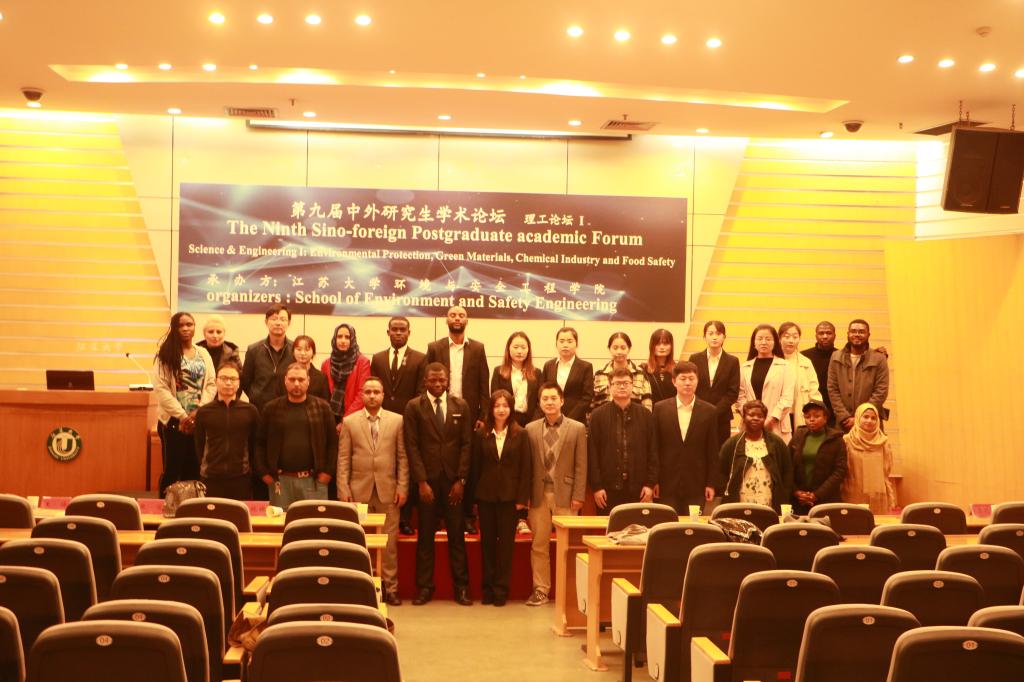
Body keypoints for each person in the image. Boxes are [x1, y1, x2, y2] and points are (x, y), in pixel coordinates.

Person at [403, 363, 473, 606]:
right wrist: (421, 482)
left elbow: (467, 444)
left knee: (457, 538)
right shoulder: (414, 406)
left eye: (442, 380)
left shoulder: (460, 406)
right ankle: (424, 588)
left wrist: (461, 480)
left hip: (454, 484)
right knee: (425, 538)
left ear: (447, 380)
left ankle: (461, 588)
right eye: (433, 380)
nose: (438, 384)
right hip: (427, 485)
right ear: (425, 381)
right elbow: (411, 445)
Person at [337, 376, 408, 606]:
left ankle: (390, 588)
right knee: (360, 543)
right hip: (358, 492)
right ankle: (361, 587)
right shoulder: (350, 422)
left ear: (383, 395)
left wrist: (402, 486)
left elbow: (402, 457)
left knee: (389, 544)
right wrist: (343, 490)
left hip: (388, 491)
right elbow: (343, 459)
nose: (372, 396)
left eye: (376, 392)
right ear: (362, 394)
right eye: (368, 392)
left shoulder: (397, 421)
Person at [426, 305, 489, 534]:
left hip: (468, 415)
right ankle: (439, 515)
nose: (457, 318)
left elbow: (484, 384)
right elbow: (427, 379)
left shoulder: (478, 348)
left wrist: (483, 416)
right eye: (453, 315)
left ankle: (467, 516)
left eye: (461, 315)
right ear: (446, 320)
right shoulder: (435, 347)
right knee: (441, 464)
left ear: (467, 320)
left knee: (467, 466)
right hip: (440, 412)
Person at [524, 382, 587, 607]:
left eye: (553, 398)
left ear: (562, 401)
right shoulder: (530, 429)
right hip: (538, 495)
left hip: (567, 496)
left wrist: (579, 495)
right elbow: (526, 466)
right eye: (545, 399)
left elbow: (581, 465)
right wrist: (525, 495)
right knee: (539, 545)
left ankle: (568, 590)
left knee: (568, 545)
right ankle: (541, 589)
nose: (549, 402)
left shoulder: (577, 428)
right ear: (539, 403)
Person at [473, 390, 531, 607]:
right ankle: (487, 589)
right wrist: (474, 498)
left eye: (505, 405)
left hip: (510, 498)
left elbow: (526, 469)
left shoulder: (521, 434)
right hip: (486, 497)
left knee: (506, 547)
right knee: (487, 545)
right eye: (497, 405)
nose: (501, 410)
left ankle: (501, 590)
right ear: (491, 409)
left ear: (511, 408)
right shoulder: (481, 433)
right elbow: (475, 467)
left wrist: (522, 499)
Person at [370, 316, 427, 536]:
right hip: (382, 421)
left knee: (406, 468)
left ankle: (404, 518)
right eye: (394, 329)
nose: (398, 333)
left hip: (407, 421)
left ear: (409, 333)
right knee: (387, 465)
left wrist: (409, 416)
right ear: (388, 332)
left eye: (403, 329)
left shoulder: (420, 358)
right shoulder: (378, 358)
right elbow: (375, 388)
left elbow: (421, 392)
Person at [254, 363, 337, 510]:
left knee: (313, 522)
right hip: (280, 481)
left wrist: (328, 473)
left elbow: (332, 443)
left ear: (308, 381)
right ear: (285, 381)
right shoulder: (271, 409)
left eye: (301, 379)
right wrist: (264, 473)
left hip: (314, 481)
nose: (296, 384)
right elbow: (259, 443)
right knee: (280, 523)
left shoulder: (322, 408)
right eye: (292, 379)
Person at [153, 312, 216, 494]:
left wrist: (199, 411)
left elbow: (211, 384)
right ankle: (165, 507)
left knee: (194, 471)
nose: (186, 328)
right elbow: (161, 389)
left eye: (190, 324)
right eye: (181, 325)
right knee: (172, 471)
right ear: (174, 328)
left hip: (198, 421)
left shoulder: (203, 353)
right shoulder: (165, 355)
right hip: (174, 422)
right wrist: (183, 416)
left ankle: (192, 507)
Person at [652, 361, 720, 514]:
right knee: (667, 523)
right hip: (666, 482)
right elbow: (654, 447)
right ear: (674, 381)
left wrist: (711, 483)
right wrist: (653, 480)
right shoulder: (660, 408)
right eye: (683, 379)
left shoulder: (709, 411)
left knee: (692, 525)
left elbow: (712, 450)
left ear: (697, 381)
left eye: (691, 378)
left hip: (697, 482)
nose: (687, 383)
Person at [588, 367, 658, 514]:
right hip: (607, 489)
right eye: (617, 383)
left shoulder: (646, 415)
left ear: (632, 386)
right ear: (609, 387)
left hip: (639, 488)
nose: (622, 387)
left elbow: (653, 451)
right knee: (609, 527)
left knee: (638, 527)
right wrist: (597, 487)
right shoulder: (597, 415)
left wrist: (650, 484)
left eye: (626, 383)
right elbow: (592, 454)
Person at [193, 360, 260, 500]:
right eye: (223, 378)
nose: (228, 383)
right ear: (216, 381)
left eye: (233, 379)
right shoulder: (204, 412)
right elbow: (199, 445)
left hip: (241, 478)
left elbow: (254, 444)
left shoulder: (250, 411)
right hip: (210, 478)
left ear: (239, 383)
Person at [719, 400, 793, 513]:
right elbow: (721, 472)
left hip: (769, 502)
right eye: (751, 415)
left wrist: (784, 495)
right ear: (744, 417)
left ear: (765, 418)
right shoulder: (732, 444)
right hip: (739, 503)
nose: (755, 418)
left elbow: (787, 472)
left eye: (760, 416)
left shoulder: (777, 443)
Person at [827, 319, 890, 432]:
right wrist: (844, 416)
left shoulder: (879, 358)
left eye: (861, 332)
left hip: (869, 422)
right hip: (843, 423)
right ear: (848, 334)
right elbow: (832, 389)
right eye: (853, 331)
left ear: (868, 335)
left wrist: (861, 417)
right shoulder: (835, 357)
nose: (857, 334)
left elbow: (881, 391)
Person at [688, 320, 740, 453]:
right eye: (710, 333)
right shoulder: (694, 358)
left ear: (724, 337)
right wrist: (702, 410)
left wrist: (714, 412)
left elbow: (732, 392)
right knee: (697, 452)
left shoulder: (732, 361)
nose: (714, 337)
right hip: (698, 416)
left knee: (720, 454)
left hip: (721, 418)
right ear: (704, 337)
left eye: (718, 333)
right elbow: (691, 386)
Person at [737, 324, 795, 443]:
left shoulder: (785, 367)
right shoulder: (745, 367)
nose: (764, 342)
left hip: (776, 425)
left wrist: (770, 420)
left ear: (775, 342)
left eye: (768, 339)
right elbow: (740, 396)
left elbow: (787, 398)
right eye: (760, 339)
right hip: (749, 425)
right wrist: (750, 417)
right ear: (754, 343)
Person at [789, 400, 847, 514]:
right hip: (799, 501)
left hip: (826, 500)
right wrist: (796, 492)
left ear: (825, 418)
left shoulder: (837, 439)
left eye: (816, 416)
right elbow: (787, 467)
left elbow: (840, 471)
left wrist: (816, 495)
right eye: (807, 416)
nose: (811, 419)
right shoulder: (798, 435)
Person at [840, 403, 896, 513]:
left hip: (878, 495)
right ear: (857, 418)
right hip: (853, 493)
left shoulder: (883, 442)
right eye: (865, 417)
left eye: (873, 418)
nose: (869, 421)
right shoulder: (847, 440)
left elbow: (887, 469)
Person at [240, 304, 294, 412]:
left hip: (288, 408)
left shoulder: (295, 350)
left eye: (282, 319)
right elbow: (245, 381)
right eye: (274, 319)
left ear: (289, 323)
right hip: (259, 409)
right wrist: (256, 396)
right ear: (266, 322)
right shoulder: (253, 350)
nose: (278, 323)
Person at [540, 327, 594, 423]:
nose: (565, 345)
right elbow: (542, 392)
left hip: (575, 420)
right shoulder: (548, 365)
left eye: (569, 341)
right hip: (550, 418)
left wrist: (568, 419)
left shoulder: (585, 367)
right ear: (556, 344)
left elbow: (587, 397)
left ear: (576, 344)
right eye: (561, 341)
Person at [321, 322, 372, 424]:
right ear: (334, 339)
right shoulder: (326, 364)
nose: (343, 341)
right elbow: (323, 394)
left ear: (352, 339)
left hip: (353, 419)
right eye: (339, 336)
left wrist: (345, 420)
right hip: (329, 418)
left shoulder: (362, 362)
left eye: (347, 337)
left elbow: (362, 394)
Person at [490, 331, 542, 427]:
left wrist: (533, 423)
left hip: (531, 421)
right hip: (506, 421)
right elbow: (495, 400)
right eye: (515, 347)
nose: (519, 351)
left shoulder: (537, 373)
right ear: (508, 348)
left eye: (523, 347)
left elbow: (540, 402)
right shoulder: (498, 371)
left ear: (528, 350)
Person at [592, 332, 653, 412]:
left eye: (623, 348)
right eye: (615, 348)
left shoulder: (640, 374)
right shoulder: (599, 374)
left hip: (634, 419)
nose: (619, 352)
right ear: (609, 349)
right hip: (605, 419)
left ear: (629, 349)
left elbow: (647, 405)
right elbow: (592, 404)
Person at [778, 322, 822, 432]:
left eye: (795, 337)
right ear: (779, 338)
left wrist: (816, 413)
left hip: (799, 413)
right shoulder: (773, 360)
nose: (791, 340)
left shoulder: (806, 362)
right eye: (787, 336)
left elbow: (813, 390)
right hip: (778, 414)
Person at [801, 321, 838, 426]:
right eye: (821, 333)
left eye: (829, 333)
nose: (825, 336)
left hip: (835, 407)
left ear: (834, 335)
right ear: (816, 336)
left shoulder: (841, 356)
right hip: (811, 407)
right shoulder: (804, 357)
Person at [292, 334, 330, 401]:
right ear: (293, 352)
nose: (303, 353)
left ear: (313, 353)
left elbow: (325, 402)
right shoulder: (284, 375)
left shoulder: (321, 378)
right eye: (299, 349)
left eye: (307, 350)